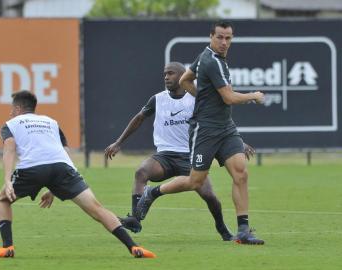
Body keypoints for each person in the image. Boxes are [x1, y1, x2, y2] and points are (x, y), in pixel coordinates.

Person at [135, 21, 265, 245]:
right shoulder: (211, 60)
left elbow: (185, 79)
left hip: (226, 128)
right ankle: (152, 193)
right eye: (220, 38)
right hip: (205, 130)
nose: (224, 42)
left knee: (241, 173)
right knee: (196, 181)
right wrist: (254, 95)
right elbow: (229, 97)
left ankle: (243, 230)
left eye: (228, 38)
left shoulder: (208, 56)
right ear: (211, 37)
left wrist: (202, 97)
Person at [0, 90, 156, 259]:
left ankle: (7, 247)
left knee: (3, 199)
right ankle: (134, 247)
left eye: (12, 109)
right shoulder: (51, 122)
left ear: (19, 108)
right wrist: (54, 188)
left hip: (32, 168)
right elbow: (64, 150)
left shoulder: (11, 124)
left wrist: (7, 180)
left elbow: (9, 148)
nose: (10, 112)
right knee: (97, 209)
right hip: (63, 168)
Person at [104, 62, 254, 240]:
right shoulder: (157, 99)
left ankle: (222, 229)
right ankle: (135, 219)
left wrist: (238, 143)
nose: (166, 77)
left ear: (183, 77)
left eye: (171, 73)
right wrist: (119, 142)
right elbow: (139, 118)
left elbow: (219, 120)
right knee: (141, 172)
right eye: (164, 74)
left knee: (210, 196)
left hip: (191, 156)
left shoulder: (197, 98)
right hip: (164, 156)